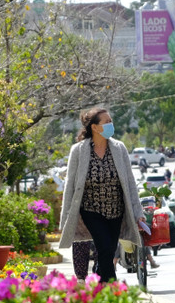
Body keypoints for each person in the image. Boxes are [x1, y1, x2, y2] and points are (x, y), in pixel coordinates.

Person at [59, 108, 146, 283]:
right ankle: (113, 287)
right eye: (106, 122)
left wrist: (138, 212)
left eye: (110, 121)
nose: (110, 124)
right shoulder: (78, 150)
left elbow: (129, 182)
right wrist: (65, 216)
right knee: (104, 246)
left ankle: (100, 281)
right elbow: (70, 185)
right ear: (95, 127)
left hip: (116, 210)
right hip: (91, 210)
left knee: (108, 251)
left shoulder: (119, 148)